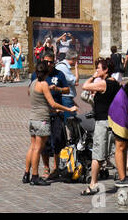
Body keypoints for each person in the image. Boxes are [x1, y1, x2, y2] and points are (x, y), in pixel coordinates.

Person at [25, 58, 77, 186]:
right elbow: (53, 104)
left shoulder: (33, 83)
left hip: (32, 118)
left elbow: (29, 94)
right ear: (45, 73)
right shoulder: (43, 84)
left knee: (32, 147)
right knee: (38, 148)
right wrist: (68, 108)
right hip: (42, 119)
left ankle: (26, 173)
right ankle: (35, 176)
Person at [80, 57, 122, 196]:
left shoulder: (103, 84)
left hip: (102, 122)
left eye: (98, 68)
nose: (96, 70)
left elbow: (84, 86)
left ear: (106, 70)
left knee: (97, 154)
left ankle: (93, 184)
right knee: (118, 150)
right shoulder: (116, 83)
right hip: (113, 121)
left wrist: (93, 76)